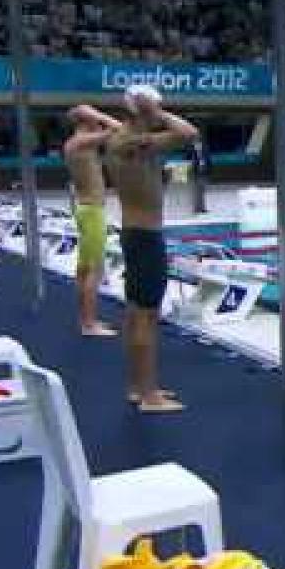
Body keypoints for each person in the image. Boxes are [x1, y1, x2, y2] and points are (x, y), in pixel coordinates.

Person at [107, 85, 199, 413]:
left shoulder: (125, 140)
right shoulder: (133, 142)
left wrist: (148, 113)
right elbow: (189, 133)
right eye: (156, 108)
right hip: (145, 238)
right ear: (144, 111)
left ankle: (139, 387)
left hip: (135, 234)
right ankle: (149, 397)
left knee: (136, 315)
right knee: (146, 317)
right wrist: (156, 114)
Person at [63, 104, 122, 337]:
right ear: (86, 121)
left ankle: (87, 320)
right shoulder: (80, 142)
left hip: (86, 210)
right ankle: (88, 324)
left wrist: (93, 116)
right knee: (94, 271)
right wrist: (101, 116)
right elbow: (118, 129)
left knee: (84, 269)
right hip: (92, 212)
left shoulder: (78, 143)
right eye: (94, 118)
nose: (99, 122)